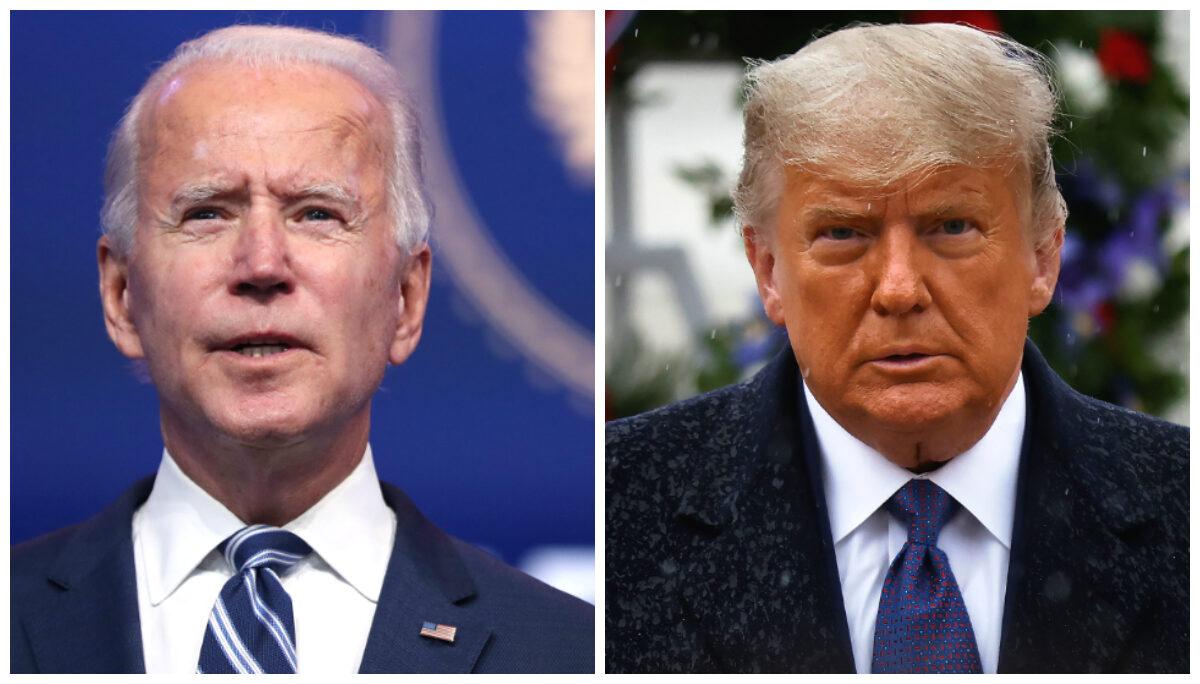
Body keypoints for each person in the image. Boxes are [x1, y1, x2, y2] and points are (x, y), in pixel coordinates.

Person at [606, 22, 1187, 674]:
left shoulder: (1179, 508)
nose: (900, 288)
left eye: (952, 227)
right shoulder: (620, 514)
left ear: (1043, 256)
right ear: (767, 270)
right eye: (845, 232)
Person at [11, 25, 592, 674]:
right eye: (207, 212)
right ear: (120, 295)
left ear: (407, 297)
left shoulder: (566, 652)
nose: (262, 264)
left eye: (317, 214)